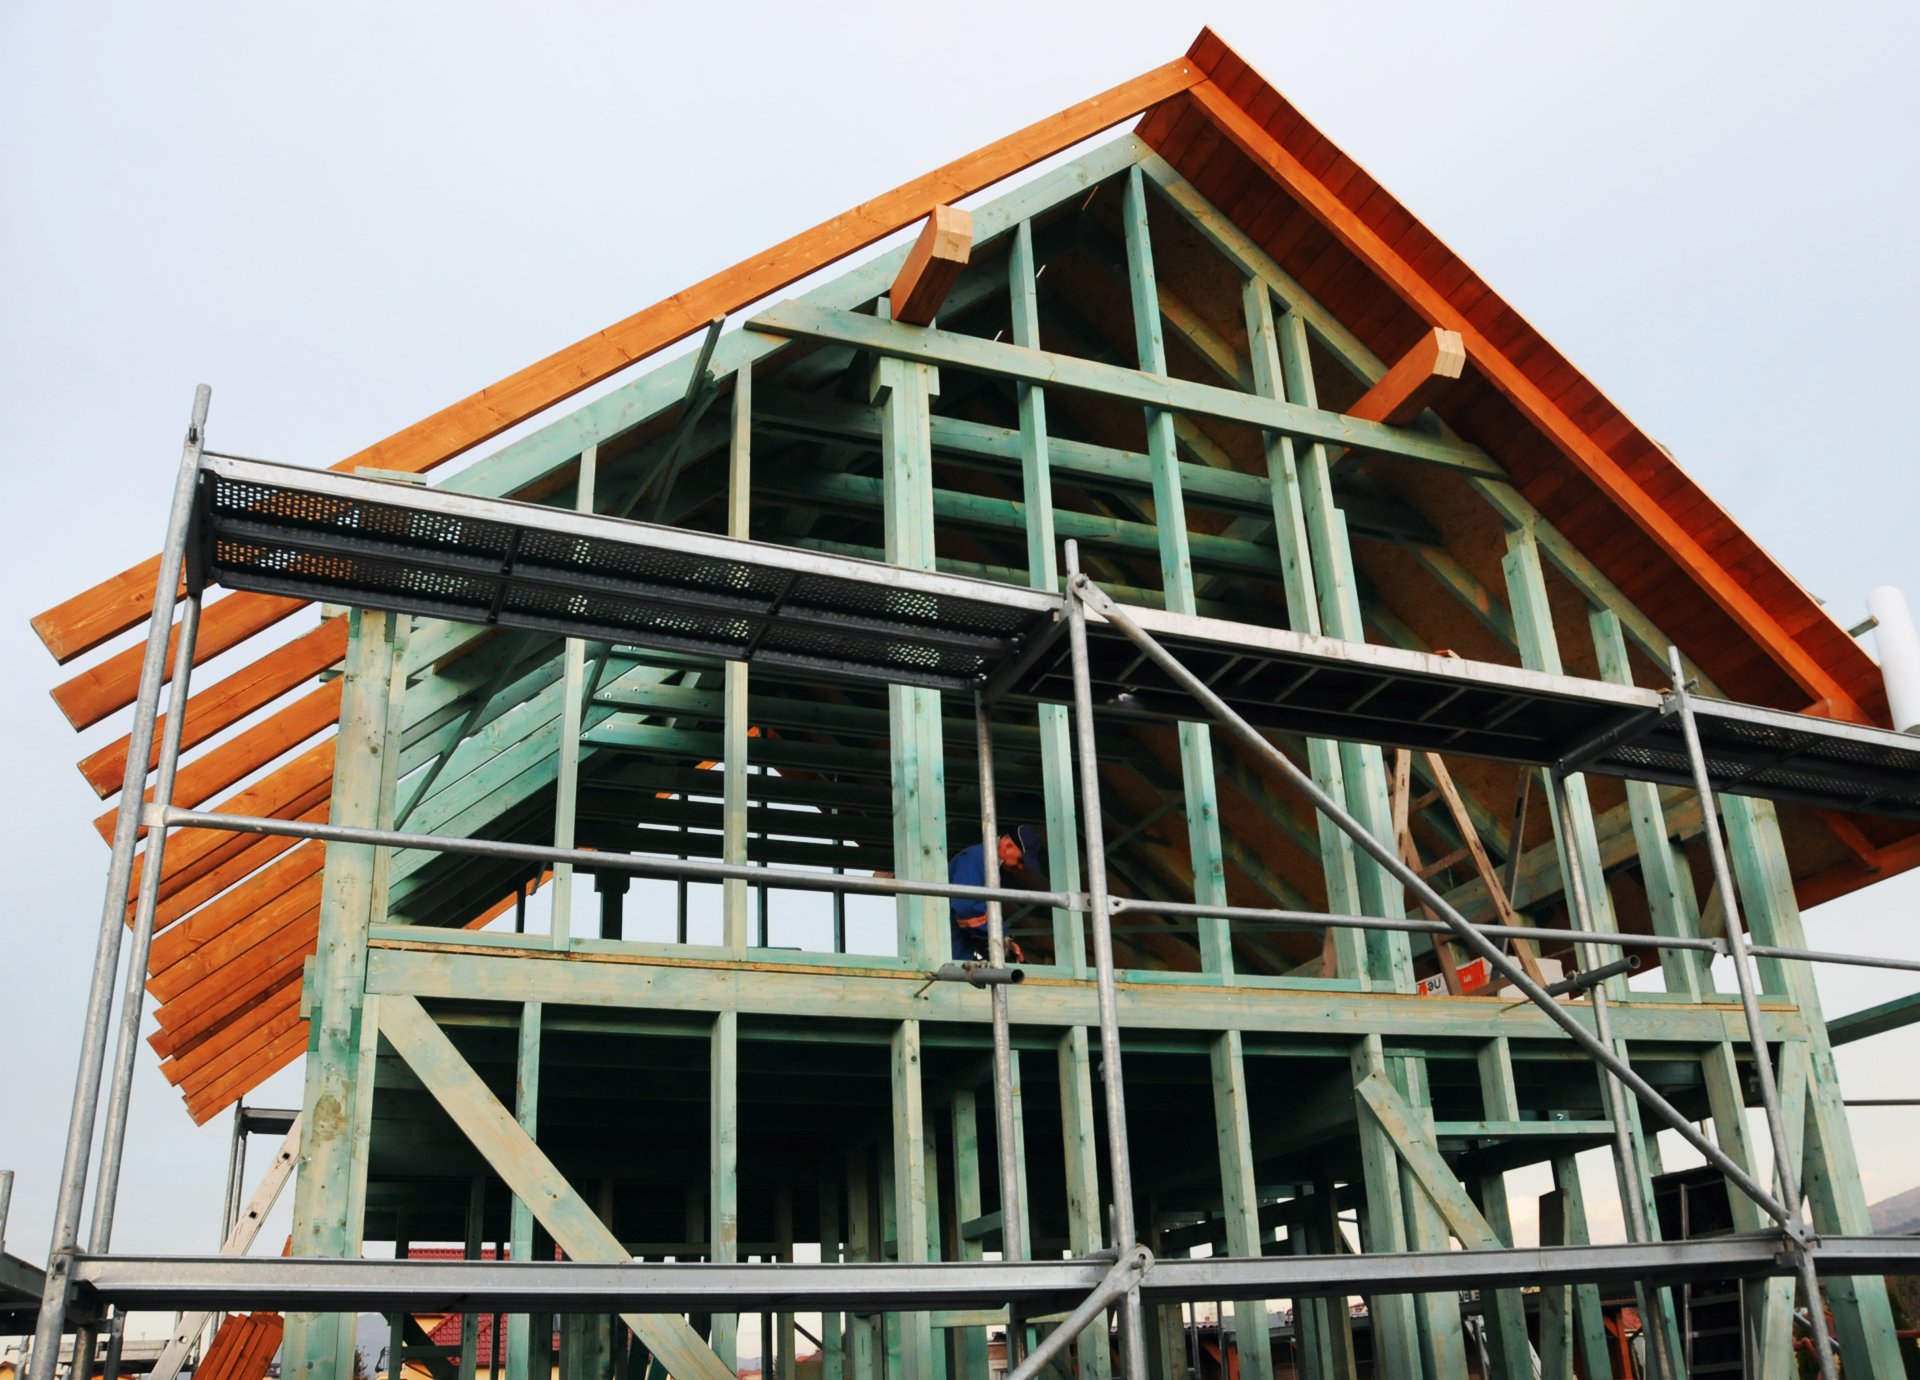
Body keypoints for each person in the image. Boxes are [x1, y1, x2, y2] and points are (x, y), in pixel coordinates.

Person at [949, 825, 1043, 962]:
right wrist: (1001, 936)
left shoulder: (988, 867)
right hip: (945, 951)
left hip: (956, 952)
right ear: (1008, 846)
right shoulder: (974, 858)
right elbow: (966, 909)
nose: (1020, 867)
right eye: (1020, 860)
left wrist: (1006, 945)